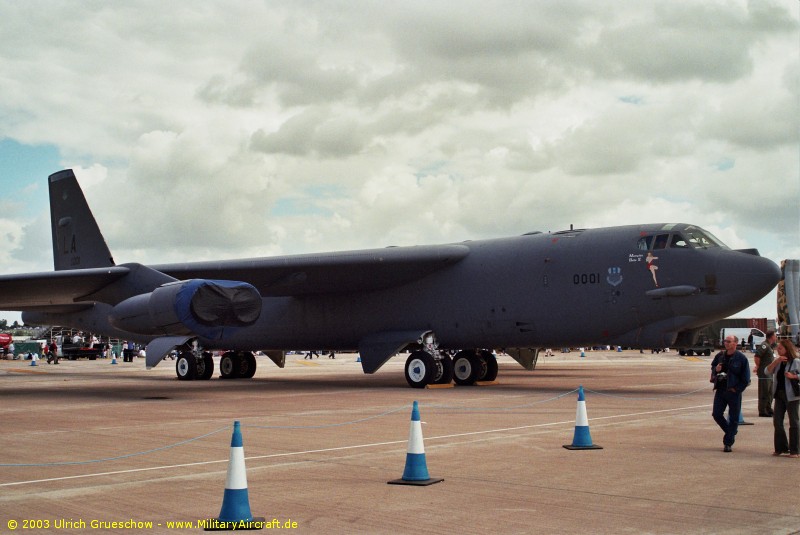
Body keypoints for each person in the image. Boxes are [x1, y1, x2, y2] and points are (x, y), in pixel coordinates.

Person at [710, 335, 751, 452]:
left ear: (735, 343)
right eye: (725, 341)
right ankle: (731, 431)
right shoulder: (720, 356)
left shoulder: (741, 358)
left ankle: (728, 443)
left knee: (733, 417)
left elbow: (746, 378)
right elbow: (713, 366)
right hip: (721, 390)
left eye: (729, 341)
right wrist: (715, 370)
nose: (726, 343)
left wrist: (737, 389)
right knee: (716, 414)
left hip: (733, 392)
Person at [766, 340, 800, 457]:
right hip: (779, 395)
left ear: (787, 349)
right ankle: (781, 447)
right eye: (777, 348)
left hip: (792, 396)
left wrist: (794, 376)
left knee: (794, 422)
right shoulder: (779, 362)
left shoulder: (796, 362)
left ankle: (795, 450)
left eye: (780, 348)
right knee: (777, 422)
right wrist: (776, 362)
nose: (778, 350)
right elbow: (767, 371)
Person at [754, 331, 776, 417]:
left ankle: (768, 408)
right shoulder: (764, 345)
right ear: (771, 336)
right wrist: (758, 366)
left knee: (770, 392)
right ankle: (762, 410)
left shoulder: (770, 346)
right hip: (764, 373)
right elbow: (757, 356)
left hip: (769, 372)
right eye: (775, 335)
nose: (776, 337)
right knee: (764, 391)